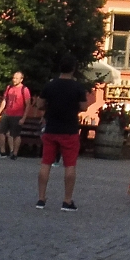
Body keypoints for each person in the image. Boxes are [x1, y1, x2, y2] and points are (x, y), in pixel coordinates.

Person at [37, 58, 92, 212]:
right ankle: (67, 200)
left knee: (46, 163)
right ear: (73, 69)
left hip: (51, 128)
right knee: (69, 165)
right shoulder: (77, 87)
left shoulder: (50, 85)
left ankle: (41, 199)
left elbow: (40, 104)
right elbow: (84, 106)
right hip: (69, 129)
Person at [0, 71, 31, 160]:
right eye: (14, 78)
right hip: (7, 113)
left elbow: (28, 104)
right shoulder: (9, 87)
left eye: (17, 78)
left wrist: (24, 118)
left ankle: (14, 153)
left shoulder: (24, 89)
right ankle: (2, 151)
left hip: (18, 114)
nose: (14, 80)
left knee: (15, 134)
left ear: (21, 79)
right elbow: (4, 100)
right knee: (0, 131)